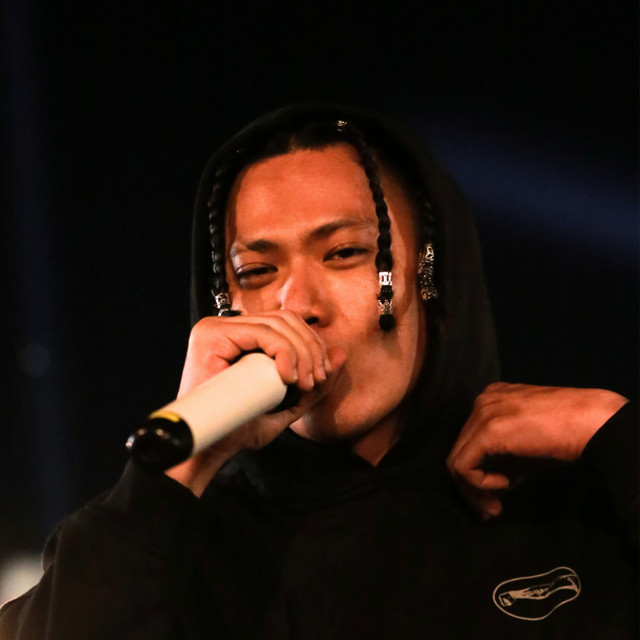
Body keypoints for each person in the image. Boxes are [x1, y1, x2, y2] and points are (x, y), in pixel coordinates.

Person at [0, 104, 636, 639]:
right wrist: (176, 468)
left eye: (345, 253)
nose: (298, 305)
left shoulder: (570, 500)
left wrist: (612, 429)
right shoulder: (165, 551)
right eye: (257, 271)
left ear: (431, 274)